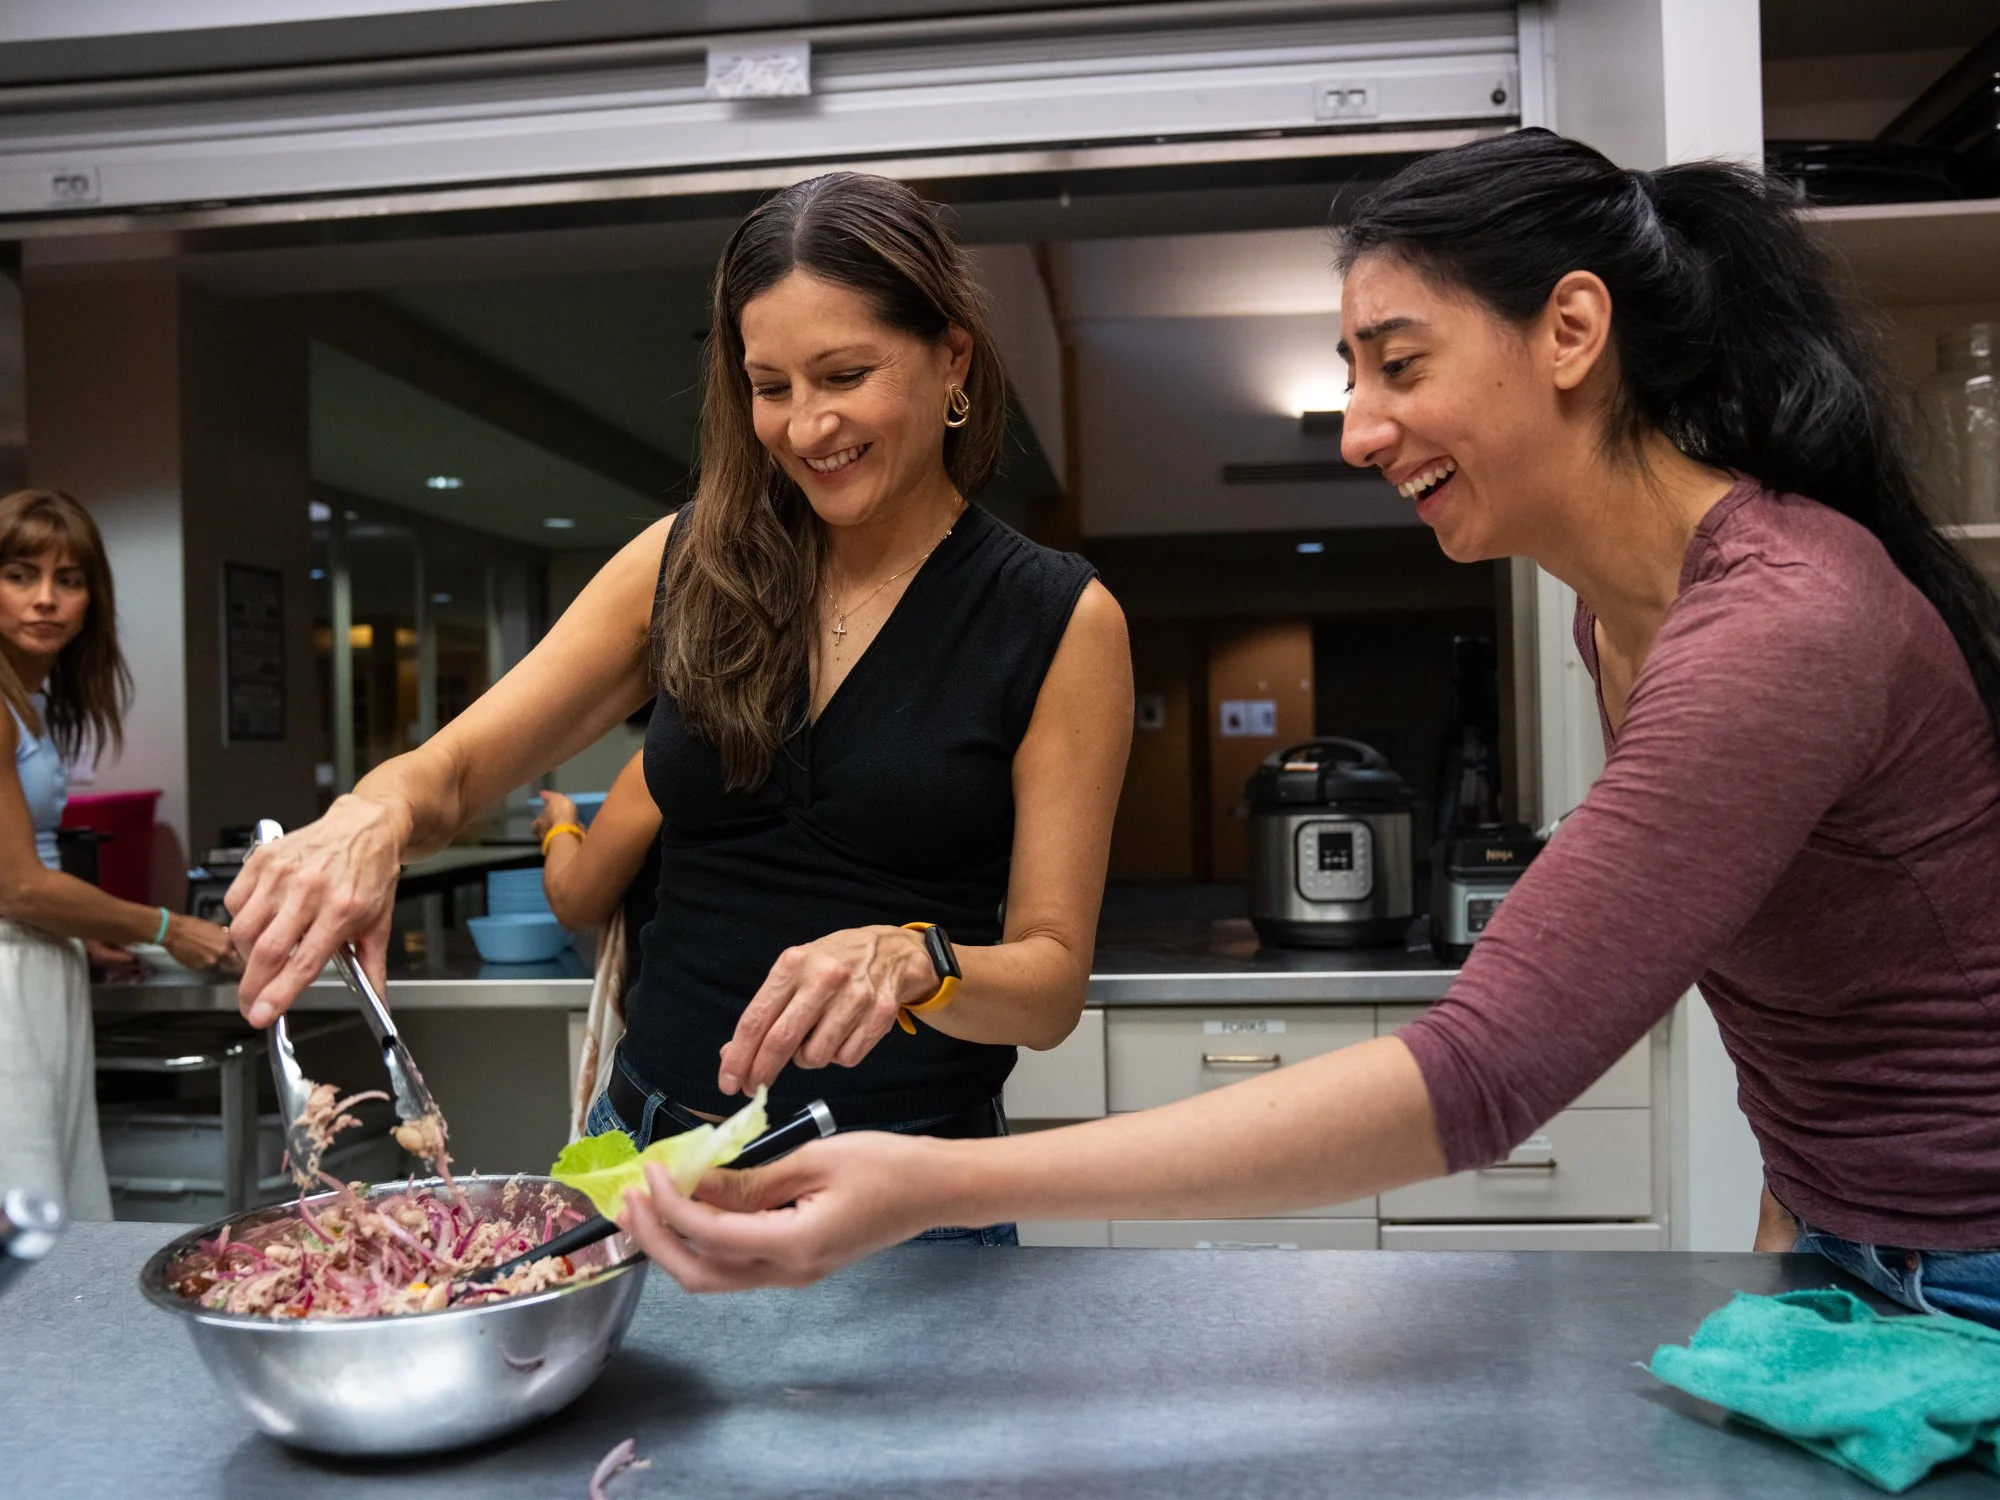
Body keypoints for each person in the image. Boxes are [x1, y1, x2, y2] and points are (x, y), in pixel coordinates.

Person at [613, 129, 2000, 1327]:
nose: (1358, 429)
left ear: (1573, 332)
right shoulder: (1618, 617)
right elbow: (1825, 1023)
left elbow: (1483, 1069)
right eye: (1353, 370)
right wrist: (1803, 1246)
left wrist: (943, 1182)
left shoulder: (1780, 621)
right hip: (1854, 1250)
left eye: (1399, 363)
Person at [226, 174, 1133, 1244]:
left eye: (845, 374)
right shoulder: (683, 564)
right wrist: (372, 815)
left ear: (952, 360)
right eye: (770, 385)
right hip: (643, 1157)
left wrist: (917, 960)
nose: (807, 426)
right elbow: (458, 768)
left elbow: (1047, 982)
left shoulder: (1054, 620)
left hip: (904, 1194)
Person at [0, 490, 235, 1219]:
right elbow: (17, 889)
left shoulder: (26, 701)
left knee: (54, 1207)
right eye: (19, 574)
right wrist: (170, 927)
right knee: (27, 1220)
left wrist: (82, 931)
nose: (45, 599)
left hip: (35, 966)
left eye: (68, 580)